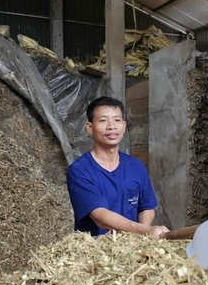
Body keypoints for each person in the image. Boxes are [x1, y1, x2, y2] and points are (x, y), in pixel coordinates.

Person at [66, 96, 169, 239]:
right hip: (95, 253)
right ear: (90, 127)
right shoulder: (79, 171)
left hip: (132, 249)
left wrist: (142, 238)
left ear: (124, 125)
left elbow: (147, 207)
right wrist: (144, 231)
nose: (111, 126)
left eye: (117, 120)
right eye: (103, 120)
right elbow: (100, 216)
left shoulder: (136, 167)